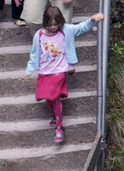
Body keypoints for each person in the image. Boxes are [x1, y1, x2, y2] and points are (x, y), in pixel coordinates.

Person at [24, 9, 104, 144]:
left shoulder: (66, 30)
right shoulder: (39, 35)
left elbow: (81, 27)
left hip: (59, 71)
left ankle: (59, 127)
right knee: (46, 97)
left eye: (56, 24)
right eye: (50, 25)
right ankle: (56, 116)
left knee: (54, 97)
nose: (53, 27)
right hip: (44, 72)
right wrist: (29, 70)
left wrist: (92, 20)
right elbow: (34, 53)